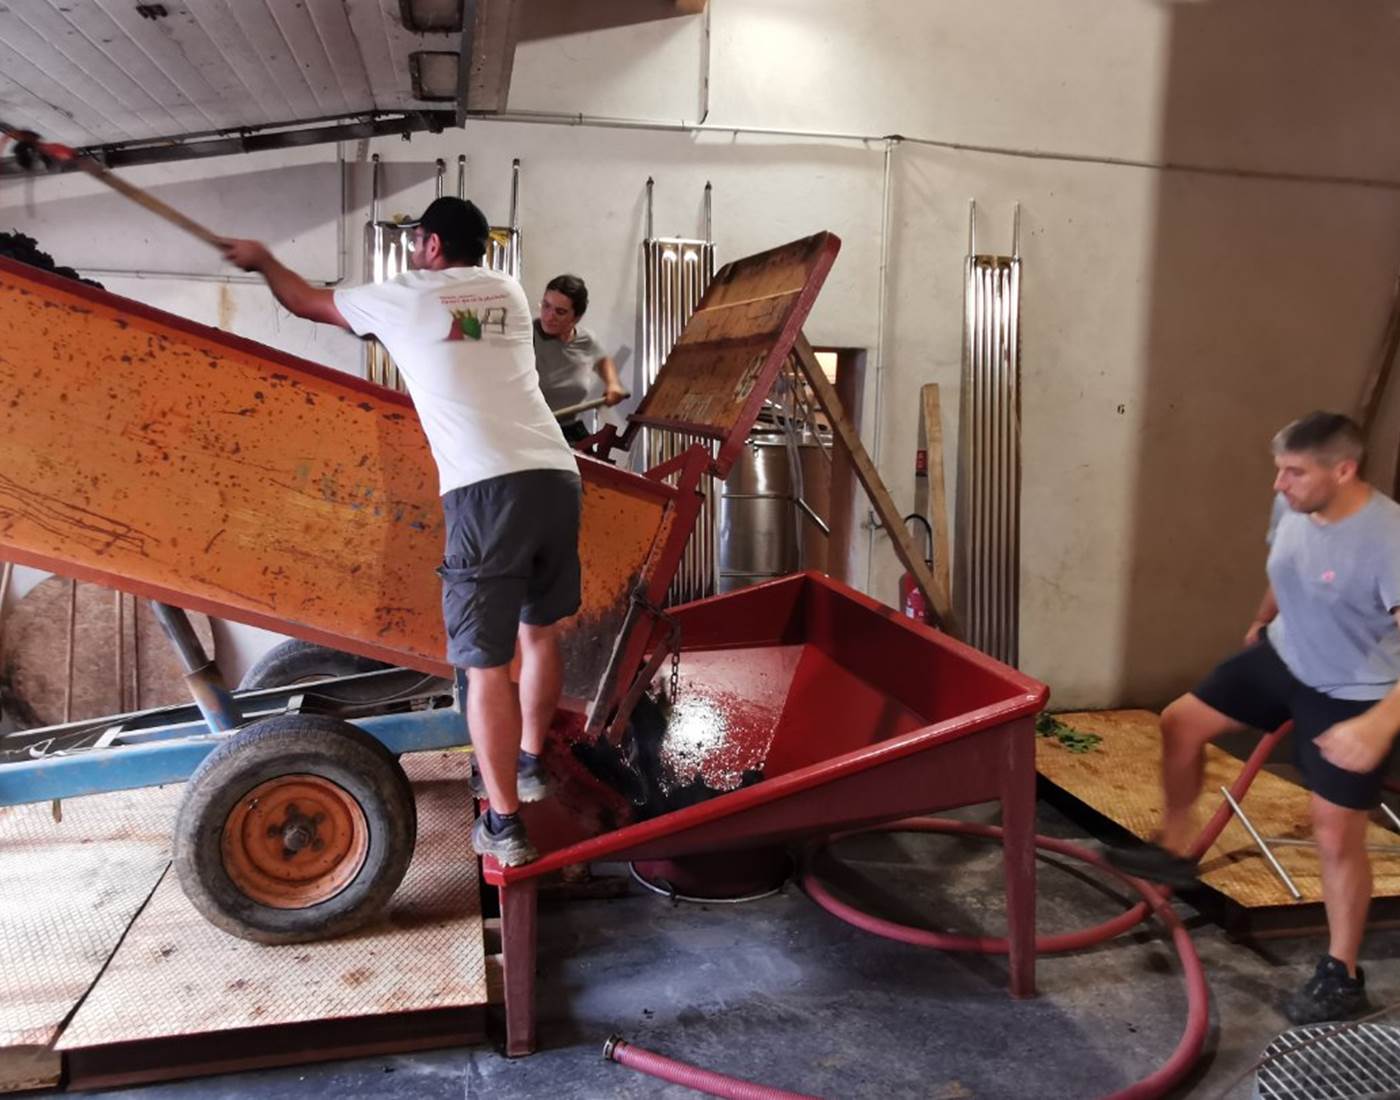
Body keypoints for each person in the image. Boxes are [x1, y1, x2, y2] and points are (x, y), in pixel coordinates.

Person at [220, 197, 580, 867]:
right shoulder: (505, 291)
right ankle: (529, 764)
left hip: (486, 487)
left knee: (483, 664)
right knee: (539, 633)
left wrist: (263, 259)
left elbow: (306, 303)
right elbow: (460, 335)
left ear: (434, 245)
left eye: (419, 242)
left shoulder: (409, 296)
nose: (415, 252)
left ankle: (504, 824)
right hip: (555, 476)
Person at [1108, 411, 1400, 1023]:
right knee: (1180, 722)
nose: (1279, 484)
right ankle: (1176, 849)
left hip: (1354, 691)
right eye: (1278, 471)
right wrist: (1262, 621)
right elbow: (1286, 567)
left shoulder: (1389, 540)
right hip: (1285, 656)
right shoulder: (1294, 506)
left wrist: (1376, 725)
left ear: (1343, 470)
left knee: (1334, 831)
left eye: (1293, 472)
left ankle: (1343, 973)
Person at [533, 273, 626, 444]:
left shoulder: (586, 340)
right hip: (533, 431)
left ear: (576, 317)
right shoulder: (525, 336)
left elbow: (603, 360)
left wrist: (613, 384)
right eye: (546, 306)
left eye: (560, 312)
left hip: (569, 431)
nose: (549, 316)